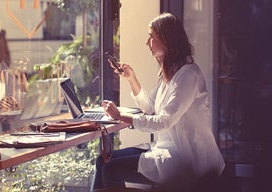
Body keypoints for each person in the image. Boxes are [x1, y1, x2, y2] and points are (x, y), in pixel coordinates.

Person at [91, 13, 225, 191]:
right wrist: (132, 79)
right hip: (165, 148)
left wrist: (120, 116)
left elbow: (164, 121)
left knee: (110, 170)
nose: (147, 42)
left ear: (167, 39)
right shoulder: (170, 73)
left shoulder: (188, 76)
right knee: (103, 160)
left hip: (185, 158)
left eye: (151, 36)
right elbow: (150, 108)